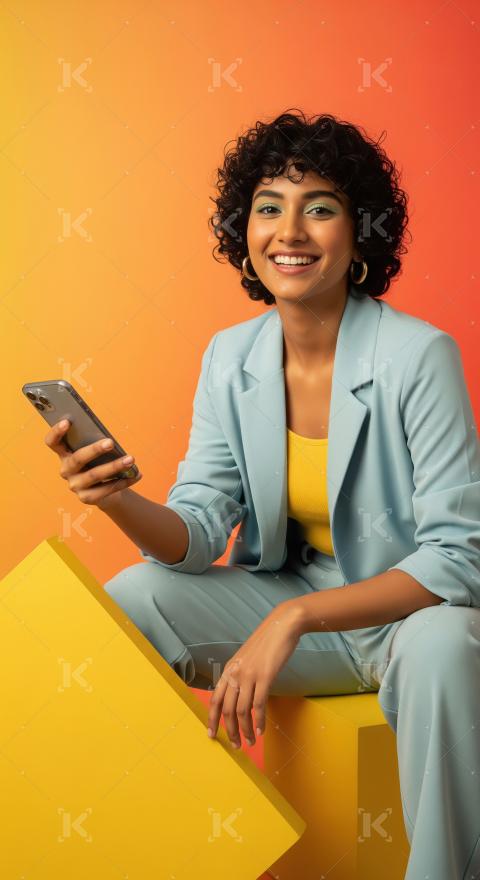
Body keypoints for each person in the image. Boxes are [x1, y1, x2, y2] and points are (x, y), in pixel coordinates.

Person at [45, 110, 480, 880]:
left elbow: (460, 556)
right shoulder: (231, 356)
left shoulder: (420, 356)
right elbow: (198, 527)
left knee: (447, 646)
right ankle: (173, 852)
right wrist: (113, 496)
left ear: (359, 235)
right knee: (132, 595)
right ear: (243, 231)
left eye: (320, 207)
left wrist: (295, 615)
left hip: (405, 619)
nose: (291, 230)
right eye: (269, 207)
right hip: (295, 608)